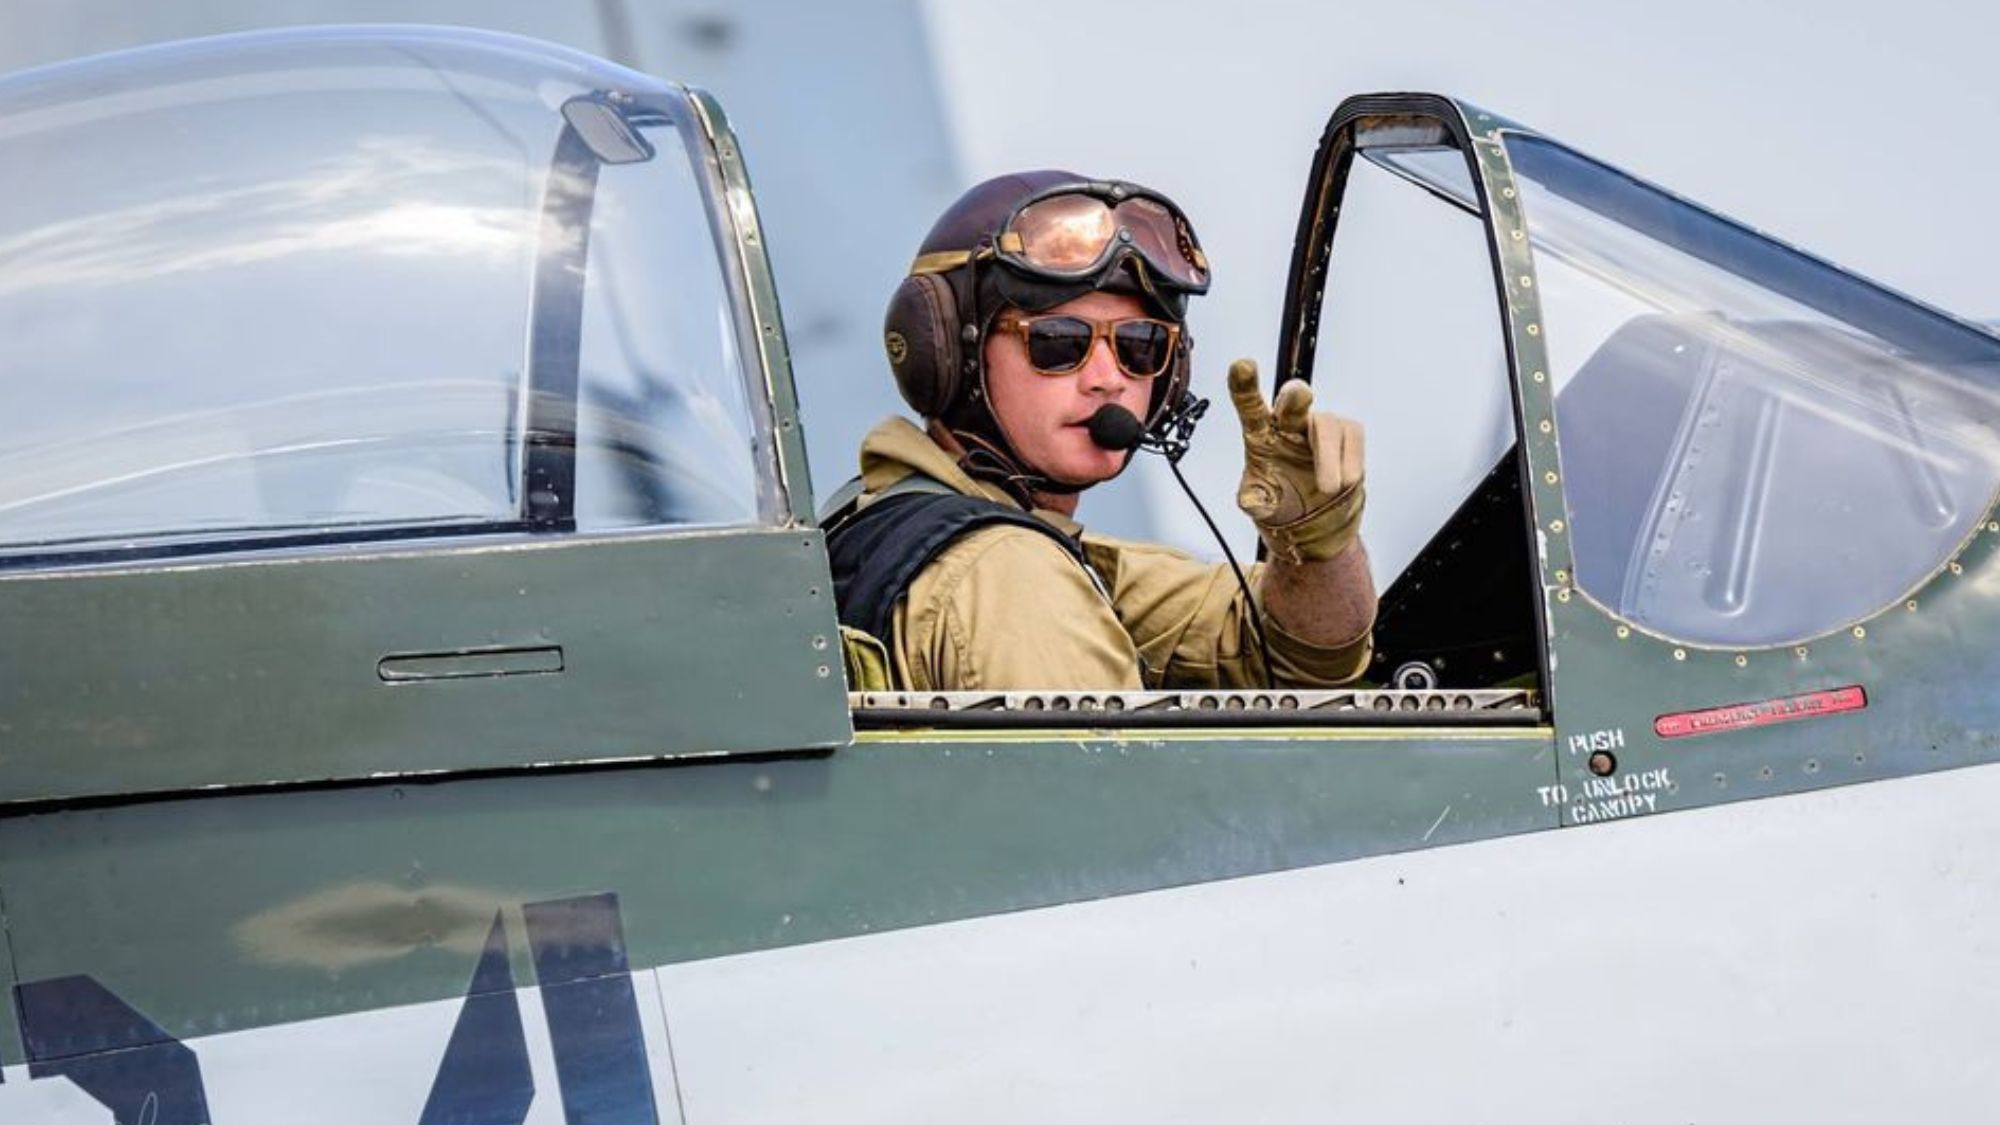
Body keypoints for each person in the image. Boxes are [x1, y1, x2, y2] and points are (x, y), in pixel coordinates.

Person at [826, 170, 1376, 693]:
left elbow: (1296, 655)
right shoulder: (1011, 577)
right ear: (947, 352)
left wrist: (1317, 546)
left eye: (1141, 345)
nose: (1109, 379)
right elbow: (1109, 788)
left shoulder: (880, 520)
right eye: (1059, 342)